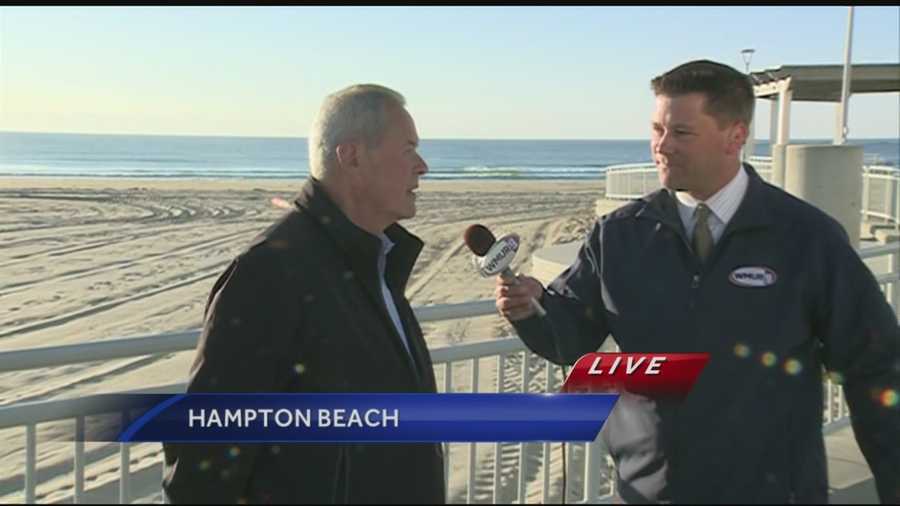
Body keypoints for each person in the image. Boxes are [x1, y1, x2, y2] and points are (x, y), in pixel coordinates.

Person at [494, 60, 900, 503]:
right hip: (650, 491)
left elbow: (875, 367)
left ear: (736, 136)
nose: (661, 146)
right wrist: (533, 309)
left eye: (681, 132)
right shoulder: (619, 235)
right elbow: (569, 337)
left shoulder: (806, 237)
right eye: (656, 129)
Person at [163, 84, 444, 504]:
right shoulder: (271, 273)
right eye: (408, 150)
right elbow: (203, 463)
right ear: (352, 156)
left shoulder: (376, 262)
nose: (422, 167)